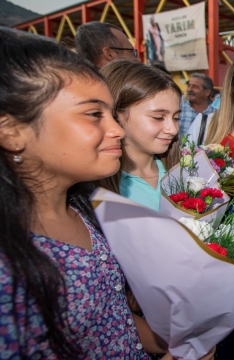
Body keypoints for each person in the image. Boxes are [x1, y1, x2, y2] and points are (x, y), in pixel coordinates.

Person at [0, 28, 153, 358]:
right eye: (94, 114)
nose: (117, 130)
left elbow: (111, 320)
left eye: (112, 114)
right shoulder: (9, 266)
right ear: (12, 131)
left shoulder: (85, 211)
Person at [99, 60, 181, 211]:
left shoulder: (185, 173)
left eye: (176, 118)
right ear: (117, 115)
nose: (172, 129)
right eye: (158, 117)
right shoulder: (98, 187)